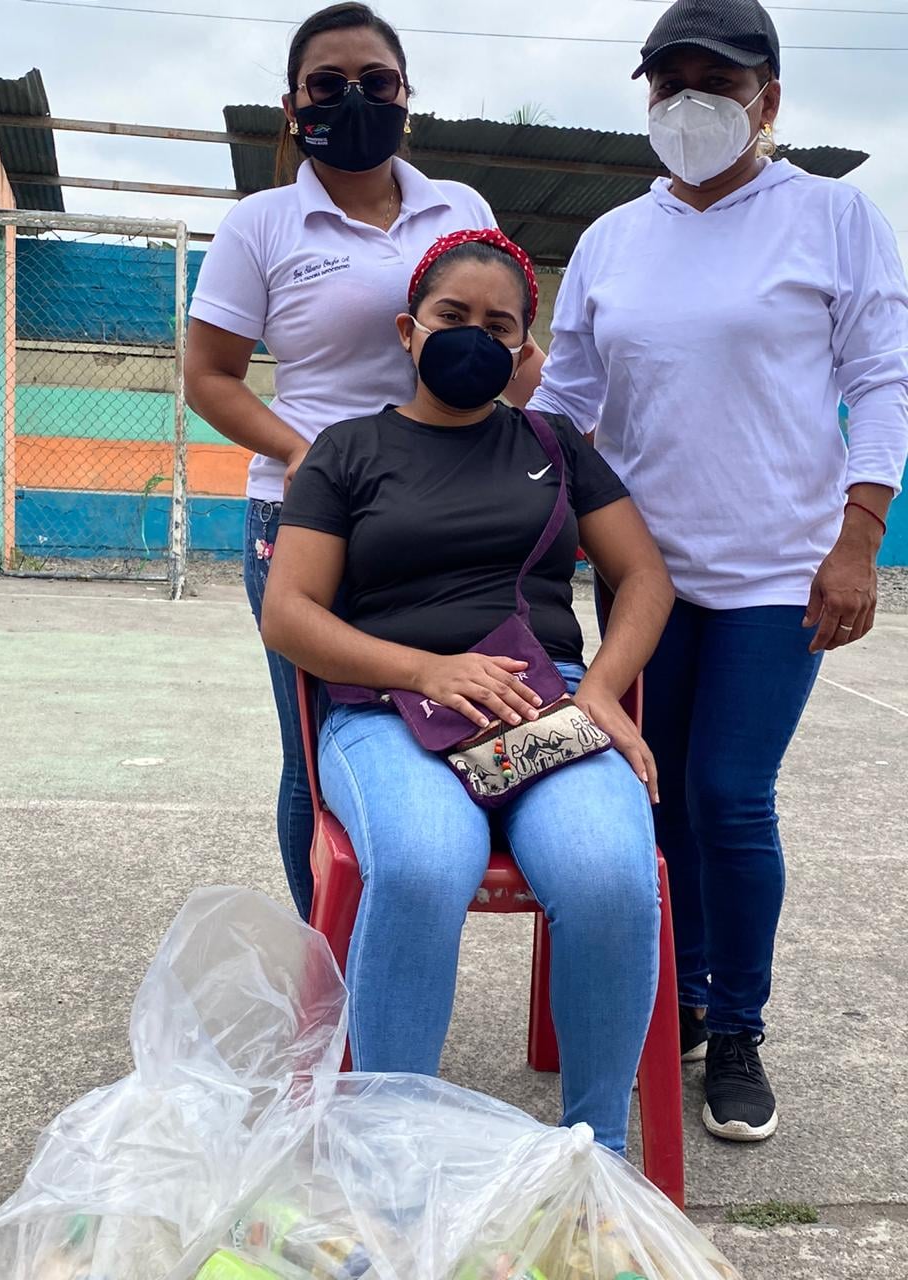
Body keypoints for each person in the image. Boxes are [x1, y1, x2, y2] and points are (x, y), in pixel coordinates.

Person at [530, 0, 908, 1142]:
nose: (690, 101)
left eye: (718, 80)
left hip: (779, 573)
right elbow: (567, 403)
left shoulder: (833, 216)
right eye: (669, 81)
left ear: (769, 99)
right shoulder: (612, 239)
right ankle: (681, 996)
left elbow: (882, 378)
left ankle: (738, 1026)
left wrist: (859, 538)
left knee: (729, 796)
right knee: (656, 796)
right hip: (643, 573)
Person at [261, 229, 676, 1155]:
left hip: (541, 704)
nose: (474, 339)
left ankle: (595, 1155)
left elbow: (645, 577)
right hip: (386, 710)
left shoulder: (555, 446)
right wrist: (425, 669)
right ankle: (391, 1153)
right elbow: (288, 613)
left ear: (525, 349)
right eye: (453, 317)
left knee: (609, 874)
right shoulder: (346, 451)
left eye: (499, 326)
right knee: (421, 866)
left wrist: (604, 690)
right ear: (408, 329)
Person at [185, 3, 543, 922]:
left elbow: (506, 347)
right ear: (292, 105)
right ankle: (327, 957)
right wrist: (306, 455)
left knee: (446, 717)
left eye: (376, 82)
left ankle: (412, 909)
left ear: (406, 97)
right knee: (316, 750)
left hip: (446, 512)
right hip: (310, 516)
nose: (354, 98)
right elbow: (209, 378)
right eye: (328, 84)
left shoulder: (459, 209)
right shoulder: (261, 225)